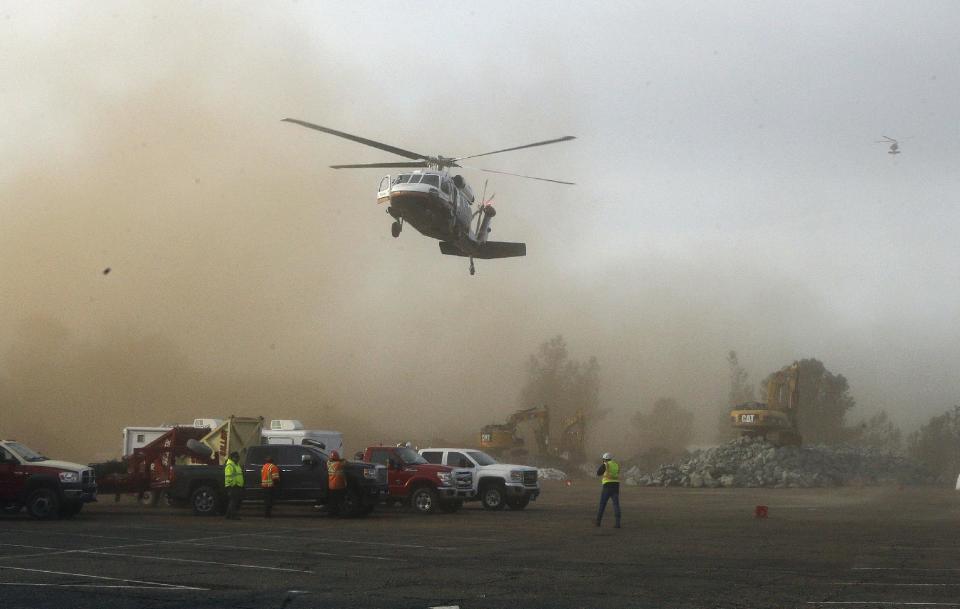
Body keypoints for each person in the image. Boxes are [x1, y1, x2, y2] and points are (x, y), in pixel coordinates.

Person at [595, 452, 621, 528]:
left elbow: (598, 473)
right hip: (616, 486)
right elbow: (617, 473)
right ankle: (617, 523)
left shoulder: (606, 464)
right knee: (616, 505)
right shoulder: (616, 464)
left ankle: (598, 522)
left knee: (602, 504)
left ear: (604, 459)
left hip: (607, 486)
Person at [224, 450, 244, 520]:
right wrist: (230, 486)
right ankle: (233, 515)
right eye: (236, 457)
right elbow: (228, 476)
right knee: (233, 502)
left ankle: (228, 515)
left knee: (234, 501)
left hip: (237, 486)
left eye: (238, 457)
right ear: (232, 457)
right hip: (232, 486)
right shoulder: (230, 465)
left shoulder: (236, 464)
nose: (238, 458)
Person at [326, 450, 347, 516]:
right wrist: (342, 459)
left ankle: (332, 513)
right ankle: (342, 513)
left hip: (331, 486)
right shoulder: (339, 464)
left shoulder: (329, 464)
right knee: (341, 501)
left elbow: (328, 460)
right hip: (339, 486)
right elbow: (345, 462)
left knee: (333, 501)